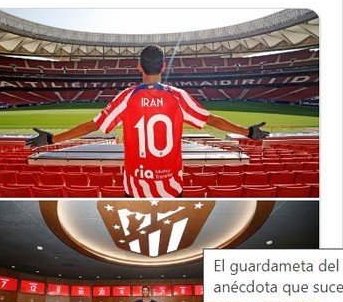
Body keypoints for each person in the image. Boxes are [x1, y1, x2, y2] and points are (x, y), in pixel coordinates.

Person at [25, 44, 269, 197]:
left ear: (138, 66)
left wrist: (51, 139)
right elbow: (212, 120)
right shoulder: (178, 97)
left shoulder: (126, 98)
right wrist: (247, 132)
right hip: (172, 185)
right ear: (163, 66)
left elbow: (94, 126)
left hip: (135, 186)